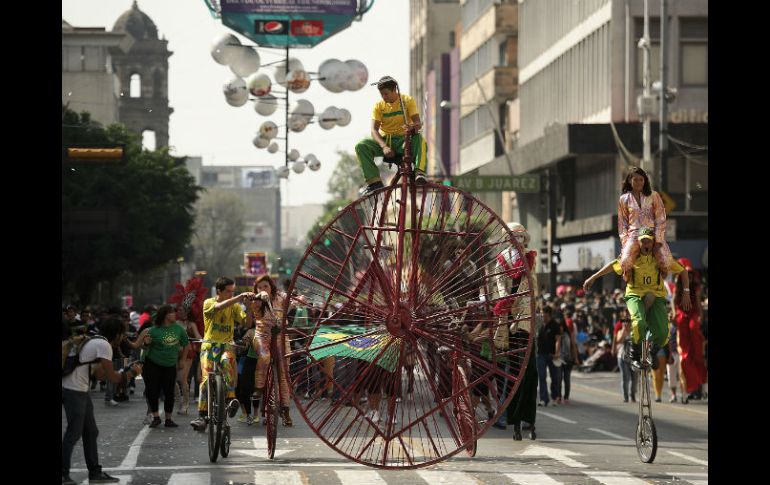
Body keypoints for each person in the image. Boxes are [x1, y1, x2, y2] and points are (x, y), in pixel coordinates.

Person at [583, 227, 691, 370]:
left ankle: (651, 351)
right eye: (643, 242)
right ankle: (633, 354)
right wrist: (593, 277)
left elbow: (683, 271)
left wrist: (686, 292)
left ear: (653, 243)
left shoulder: (660, 257)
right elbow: (612, 266)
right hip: (635, 294)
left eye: (648, 242)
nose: (645, 245)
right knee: (639, 322)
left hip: (656, 294)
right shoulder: (631, 257)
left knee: (664, 333)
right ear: (638, 243)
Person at [62, 317, 143, 484]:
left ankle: (95, 473)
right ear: (117, 334)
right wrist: (131, 373)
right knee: (73, 433)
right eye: (122, 334)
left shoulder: (96, 342)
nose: (123, 338)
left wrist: (123, 370)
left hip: (79, 390)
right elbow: (113, 378)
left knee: (91, 432)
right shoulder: (103, 345)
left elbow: (99, 375)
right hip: (73, 390)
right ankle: (63, 474)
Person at [491, 222, 539, 439]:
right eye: (514, 237)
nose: (518, 241)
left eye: (521, 237)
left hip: (524, 314)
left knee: (530, 369)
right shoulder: (501, 260)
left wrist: (527, 303)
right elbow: (499, 283)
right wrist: (507, 300)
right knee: (514, 369)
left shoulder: (530, 257)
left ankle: (528, 417)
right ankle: (513, 417)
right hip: (508, 311)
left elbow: (533, 285)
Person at [190, 277, 256, 431]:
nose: (231, 294)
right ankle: (202, 415)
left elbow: (246, 324)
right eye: (228, 291)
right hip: (210, 346)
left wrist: (250, 308)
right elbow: (219, 307)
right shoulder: (209, 303)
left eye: (233, 292)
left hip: (227, 346)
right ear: (218, 291)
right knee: (206, 379)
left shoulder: (235, 307)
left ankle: (231, 399)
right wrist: (239, 297)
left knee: (227, 363)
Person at [355, 75, 427, 195]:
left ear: (395, 90)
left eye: (386, 93)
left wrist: (412, 127)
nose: (384, 97)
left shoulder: (407, 101)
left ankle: (419, 173)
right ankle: (374, 182)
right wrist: (384, 146)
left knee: (419, 139)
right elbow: (374, 130)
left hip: (404, 141)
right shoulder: (379, 106)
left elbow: (418, 123)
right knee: (361, 146)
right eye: (381, 94)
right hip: (386, 141)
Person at [131, 305, 190, 428]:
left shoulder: (179, 330)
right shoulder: (151, 331)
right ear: (166, 315)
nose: (175, 314)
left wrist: (183, 360)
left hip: (170, 365)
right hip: (152, 364)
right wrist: (145, 344)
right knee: (153, 391)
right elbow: (140, 346)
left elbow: (186, 345)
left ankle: (168, 419)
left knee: (169, 392)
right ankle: (156, 417)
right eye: (172, 313)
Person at [251, 274, 294, 427]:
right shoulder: (254, 300)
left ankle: (286, 411)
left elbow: (292, 301)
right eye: (260, 287)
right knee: (265, 357)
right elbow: (252, 302)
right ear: (256, 289)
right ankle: (259, 387)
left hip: (280, 337)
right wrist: (260, 296)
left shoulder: (281, 297)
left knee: (283, 375)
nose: (263, 289)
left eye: (266, 286)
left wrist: (299, 300)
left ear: (272, 287)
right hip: (262, 337)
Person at [617, 167, 673, 281]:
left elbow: (660, 218)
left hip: (652, 233)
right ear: (629, 181)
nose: (638, 182)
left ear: (645, 180)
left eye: (641, 179)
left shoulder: (654, 195)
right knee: (625, 262)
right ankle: (633, 287)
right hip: (633, 235)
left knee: (666, 262)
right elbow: (622, 223)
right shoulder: (624, 199)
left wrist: (658, 240)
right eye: (635, 179)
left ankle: (658, 286)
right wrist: (625, 242)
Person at [672, 257, 707, 401]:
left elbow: (698, 303)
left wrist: (700, 316)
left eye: (690, 274)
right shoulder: (677, 285)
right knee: (685, 355)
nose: (689, 276)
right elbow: (674, 302)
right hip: (682, 315)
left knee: (697, 347)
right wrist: (674, 314)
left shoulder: (696, 286)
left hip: (692, 314)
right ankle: (686, 389)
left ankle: (701, 385)